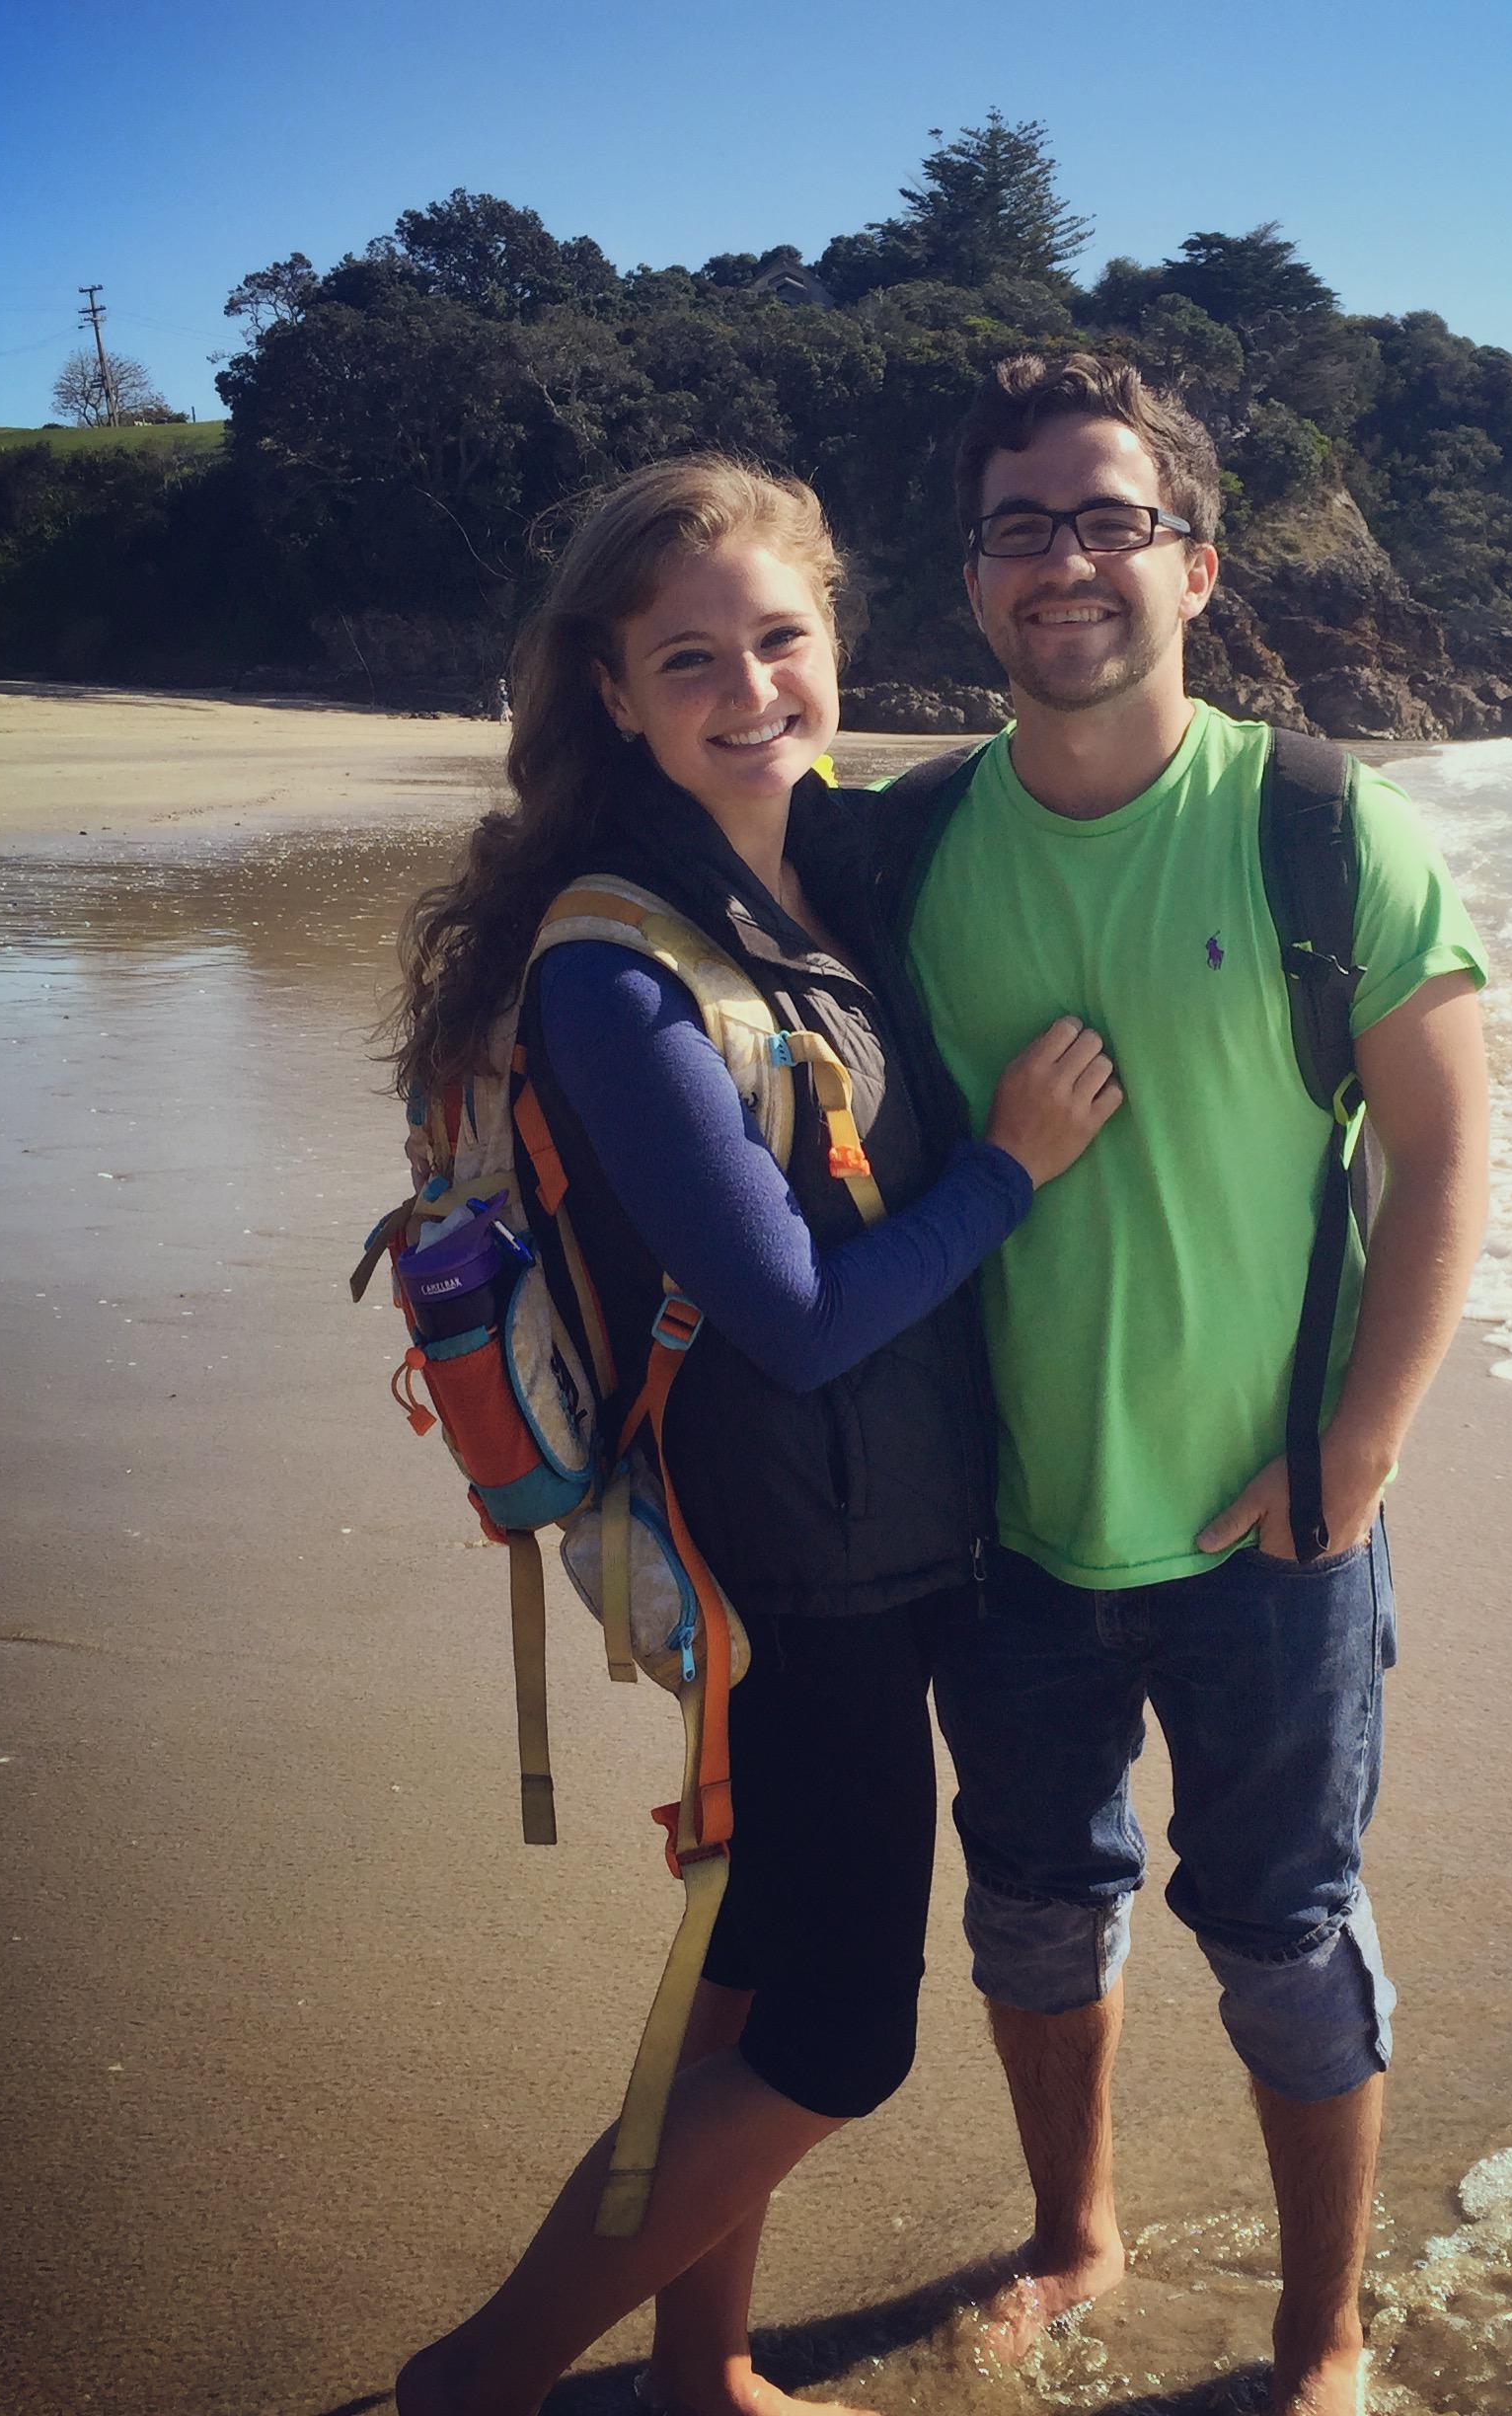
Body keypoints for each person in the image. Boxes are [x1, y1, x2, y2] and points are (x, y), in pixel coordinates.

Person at [389, 456, 1121, 2416]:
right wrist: (1016, 1173)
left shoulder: (832, 870)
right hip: (801, 1566)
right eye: (689, 657)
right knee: (836, 2041)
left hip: (890, 1532)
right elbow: (793, 1321)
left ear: (837, 644)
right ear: (614, 694)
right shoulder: (616, 970)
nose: (749, 688)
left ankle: (703, 2374)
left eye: (781, 639)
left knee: (745, 1974)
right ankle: (483, 2380)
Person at [883, 355, 1491, 2416]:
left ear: (1200, 564)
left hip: (1272, 1526)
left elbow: (1447, 1153)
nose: (1067, 562)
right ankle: (1077, 2233)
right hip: (1004, 1527)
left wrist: (1358, 1449)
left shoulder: (1322, 829)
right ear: (972, 578)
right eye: (1022, 526)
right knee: (1037, 1915)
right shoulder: (906, 857)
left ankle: (1321, 2337)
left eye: (1111, 519)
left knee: (1287, 1938)